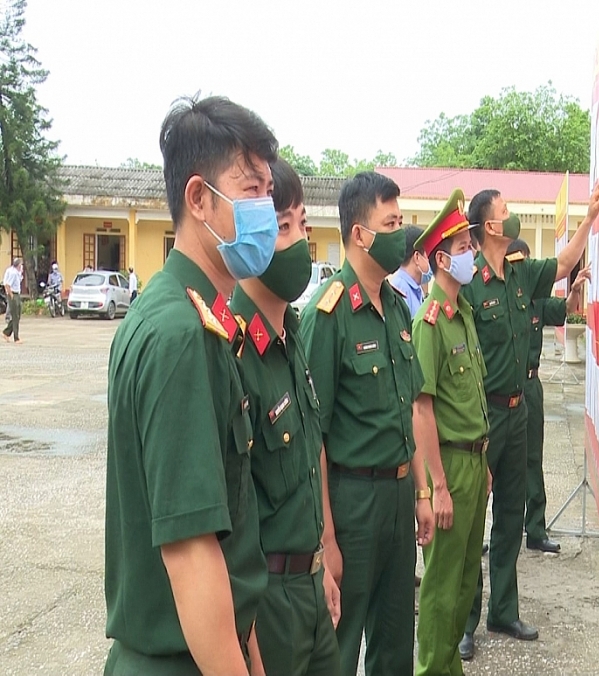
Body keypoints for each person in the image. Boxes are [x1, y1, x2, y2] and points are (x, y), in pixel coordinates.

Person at [104, 95, 279, 676]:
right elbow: (192, 551)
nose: (265, 207)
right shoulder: (182, 334)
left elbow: (230, 542)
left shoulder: (188, 313)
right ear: (199, 198)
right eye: (250, 189)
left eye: (268, 190)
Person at [459, 182, 599, 660]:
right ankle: (465, 621)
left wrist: (588, 219)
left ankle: (503, 610)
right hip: (482, 416)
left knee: (510, 513)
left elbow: (563, 264)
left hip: (518, 408)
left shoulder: (521, 273)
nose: (513, 214)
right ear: (490, 225)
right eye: (505, 209)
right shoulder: (468, 284)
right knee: (472, 523)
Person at [299, 171, 435, 676]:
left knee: (395, 640)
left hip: (397, 498)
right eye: (391, 223)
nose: (402, 233)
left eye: (401, 221)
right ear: (360, 234)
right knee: (340, 642)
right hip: (352, 503)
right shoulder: (328, 315)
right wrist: (327, 540)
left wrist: (421, 492)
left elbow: (408, 409)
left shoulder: (397, 308)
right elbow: (313, 439)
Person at [229, 157, 341, 675]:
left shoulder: (292, 335)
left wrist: (326, 553)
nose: (299, 240)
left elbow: (312, 449)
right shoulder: (232, 352)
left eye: (302, 224)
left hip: (311, 583)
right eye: (282, 226)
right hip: (267, 602)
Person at [412, 189, 491, 676]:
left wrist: (484, 464)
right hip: (449, 468)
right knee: (441, 588)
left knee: (464, 583)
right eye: (463, 248)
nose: (472, 254)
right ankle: (431, 670)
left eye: (471, 246)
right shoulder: (431, 322)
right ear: (442, 260)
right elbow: (422, 410)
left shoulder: (463, 315)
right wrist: (436, 486)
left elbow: (472, 398)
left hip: (474, 464)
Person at [506, 239, 591, 554]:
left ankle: (535, 529)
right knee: (499, 464)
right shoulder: (499, 299)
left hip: (530, 385)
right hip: (503, 389)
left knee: (533, 458)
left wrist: (575, 290)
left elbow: (565, 310)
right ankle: (500, 532)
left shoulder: (537, 299)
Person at [389, 225, 430, 316]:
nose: (430, 259)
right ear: (417, 257)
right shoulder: (401, 291)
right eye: (427, 253)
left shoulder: (416, 289)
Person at [2, 257, 24, 344]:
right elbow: (7, 285)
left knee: (17, 315)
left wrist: (20, 273)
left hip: (17, 294)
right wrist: (11, 295)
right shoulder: (13, 273)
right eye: (21, 264)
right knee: (15, 316)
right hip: (13, 294)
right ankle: (16, 338)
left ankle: (6, 332)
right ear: (18, 265)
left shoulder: (13, 271)